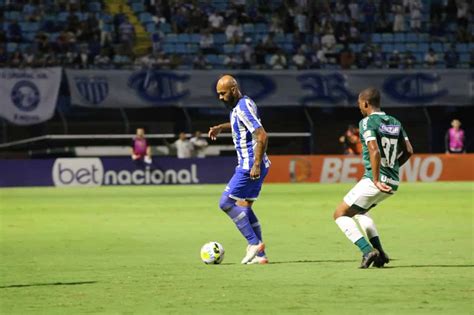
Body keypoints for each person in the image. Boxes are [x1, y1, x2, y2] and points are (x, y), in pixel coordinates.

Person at [333, 87, 414, 268]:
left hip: (375, 180)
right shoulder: (395, 122)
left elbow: (374, 150)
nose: (359, 108)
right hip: (392, 182)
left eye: (359, 105)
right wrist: (392, 168)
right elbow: (409, 151)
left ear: (366, 103)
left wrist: (376, 179)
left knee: (340, 214)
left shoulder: (366, 122)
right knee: (361, 212)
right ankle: (381, 255)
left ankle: (367, 251)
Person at [208, 75, 270, 265]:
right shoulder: (244, 104)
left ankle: (253, 243)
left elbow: (262, 135)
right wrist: (221, 127)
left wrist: (256, 164)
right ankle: (260, 256)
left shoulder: (241, 107)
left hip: (249, 166)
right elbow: (240, 123)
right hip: (257, 164)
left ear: (233, 90)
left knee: (225, 203)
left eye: (223, 93)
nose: (220, 97)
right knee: (244, 207)